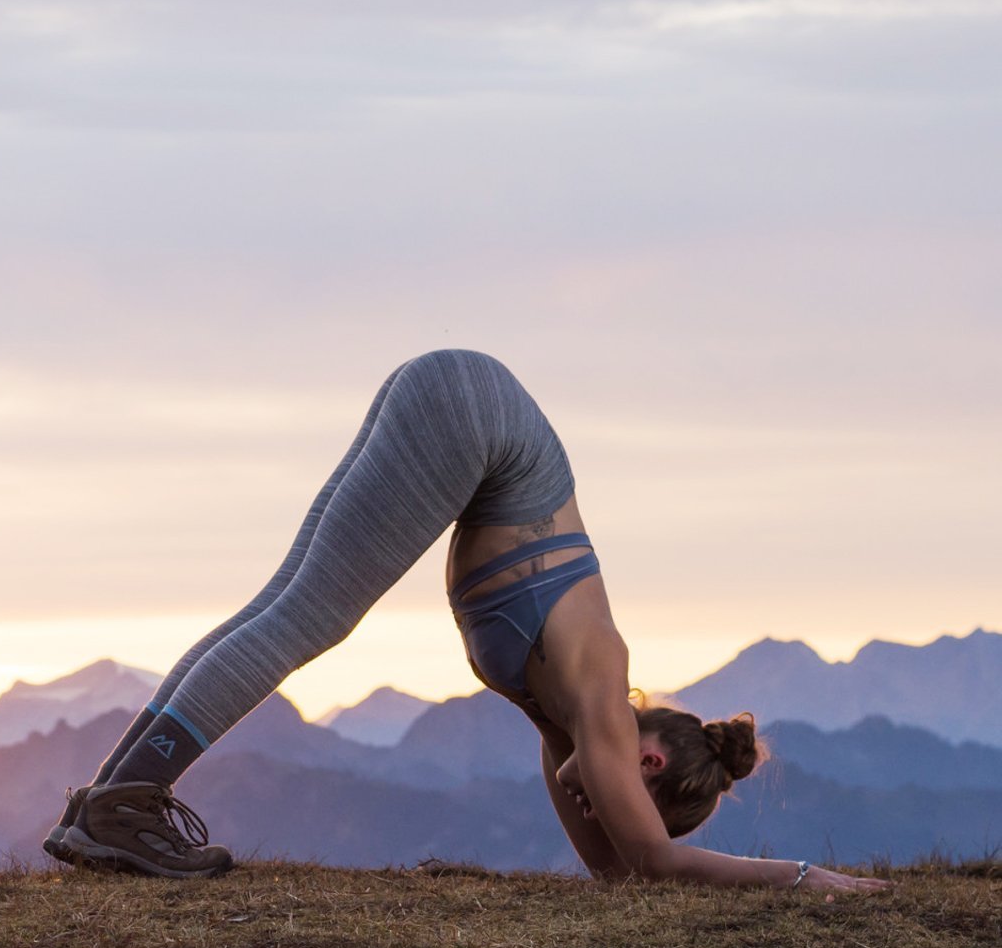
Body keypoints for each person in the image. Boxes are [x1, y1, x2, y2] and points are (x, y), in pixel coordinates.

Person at [46, 349, 889, 893]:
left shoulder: (567, 724)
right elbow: (656, 860)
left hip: (459, 401)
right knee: (306, 615)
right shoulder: (597, 692)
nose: (599, 810)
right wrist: (816, 882)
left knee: (283, 607)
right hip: (474, 416)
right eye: (622, 797)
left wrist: (627, 844)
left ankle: (108, 801)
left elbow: (625, 876)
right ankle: (127, 800)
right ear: (647, 758)